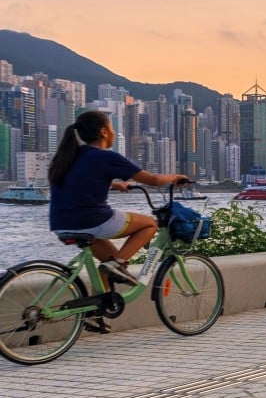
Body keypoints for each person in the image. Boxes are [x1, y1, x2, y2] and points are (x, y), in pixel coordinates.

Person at [49, 110, 188, 288]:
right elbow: (153, 180)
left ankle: (94, 311)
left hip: (61, 224)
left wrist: (115, 185)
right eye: (112, 128)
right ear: (104, 132)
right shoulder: (106, 157)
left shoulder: (68, 157)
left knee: (110, 262)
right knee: (150, 225)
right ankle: (115, 265)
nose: (114, 133)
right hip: (92, 220)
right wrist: (175, 177)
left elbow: (80, 184)